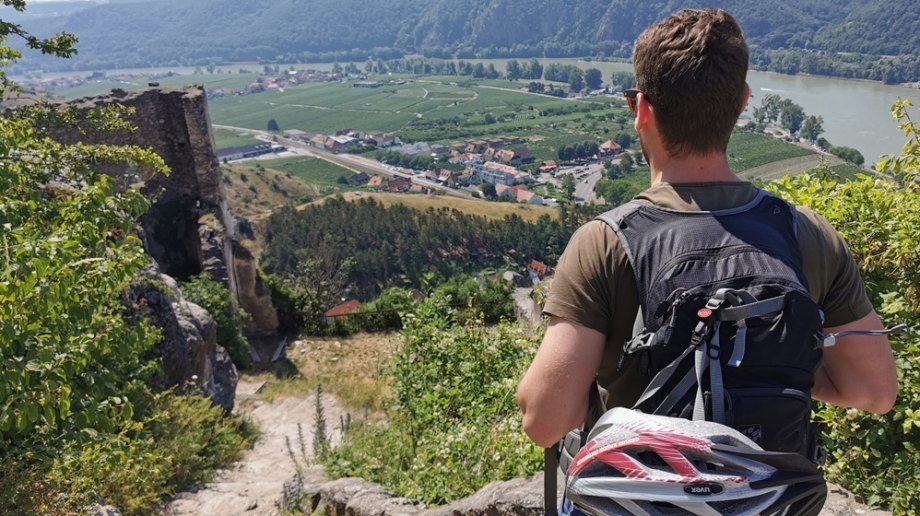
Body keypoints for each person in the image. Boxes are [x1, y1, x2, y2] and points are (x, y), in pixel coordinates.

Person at [516, 8, 898, 450]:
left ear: (641, 109)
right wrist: (773, 360)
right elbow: (874, 391)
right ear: (741, 101)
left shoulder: (605, 242)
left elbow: (543, 422)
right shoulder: (807, 235)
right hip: (769, 497)